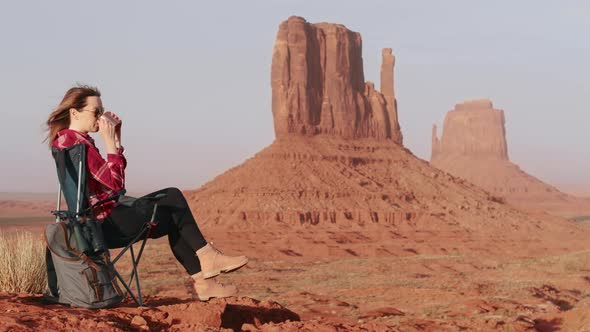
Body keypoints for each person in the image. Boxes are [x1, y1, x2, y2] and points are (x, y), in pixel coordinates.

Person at [44, 85, 247, 301]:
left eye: (102, 111)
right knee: (173, 197)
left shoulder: (67, 141)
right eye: (96, 112)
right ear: (74, 112)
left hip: (96, 223)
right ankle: (207, 261)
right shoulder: (77, 144)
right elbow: (116, 185)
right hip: (105, 224)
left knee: (171, 216)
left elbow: (112, 185)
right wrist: (110, 143)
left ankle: (205, 281)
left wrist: (117, 141)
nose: (100, 118)